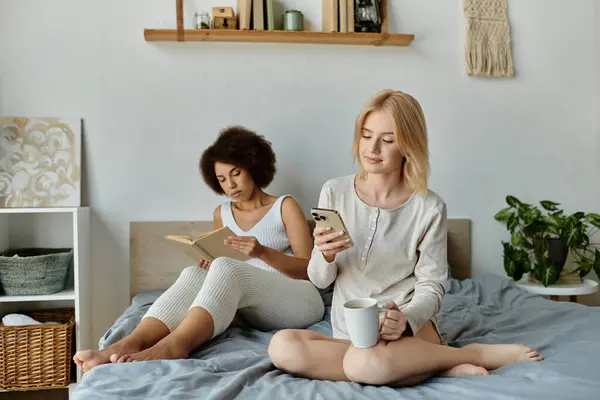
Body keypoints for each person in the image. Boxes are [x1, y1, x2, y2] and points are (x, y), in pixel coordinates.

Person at [268, 90, 543, 386]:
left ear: (408, 145)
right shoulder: (334, 192)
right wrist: (325, 255)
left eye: (388, 140)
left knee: (364, 364)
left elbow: (432, 286)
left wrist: (407, 319)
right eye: (366, 135)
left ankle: (472, 354)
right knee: (282, 347)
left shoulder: (429, 207)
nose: (372, 148)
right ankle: (435, 364)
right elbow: (320, 281)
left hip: (407, 328)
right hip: (352, 335)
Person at [74, 126, 324, 371]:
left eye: (235, 173)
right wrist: (211, 265)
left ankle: (176, 344)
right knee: (194, 274)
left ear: (253, 165)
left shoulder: (285, 206)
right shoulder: (222, 214)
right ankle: (129, 343)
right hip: (254, 308)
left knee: (227, 267)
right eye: (222, 179)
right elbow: (226, 266)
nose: (230, 185)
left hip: (300, 300)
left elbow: (309, 270)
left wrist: (262, 252)